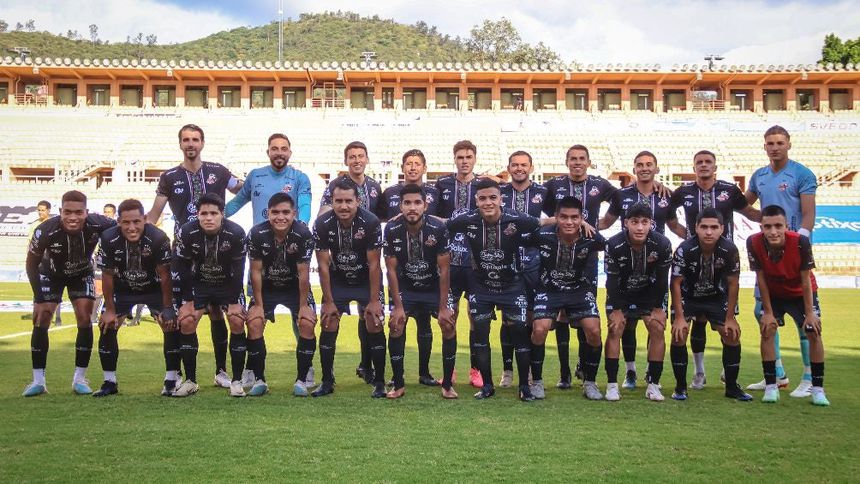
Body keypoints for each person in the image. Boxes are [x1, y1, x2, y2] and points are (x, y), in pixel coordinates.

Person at [146, 124, 243, 390]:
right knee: (184, 313)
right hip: (185, 252)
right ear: (180, 144)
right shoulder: (169, 177)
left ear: (202, 143)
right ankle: (178, 374)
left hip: (218, 250)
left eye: (195, 139)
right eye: (186, 140)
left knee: (217, 312)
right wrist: (141, 234)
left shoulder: (218, 171)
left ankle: (221, 372)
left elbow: (244, 190)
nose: (191, 144)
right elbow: (154, 213)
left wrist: (230, 211)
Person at [666, 150, 760, 390]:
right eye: (699, 162)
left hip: (722, 263)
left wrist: (775, 218)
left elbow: (750, 213)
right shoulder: (683, 192)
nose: (704, 165)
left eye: (708, 162)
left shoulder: (730, 190)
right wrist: (688, 237)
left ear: (715, 167)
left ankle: (729, 376)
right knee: (695, 322)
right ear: (694, 167)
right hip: (694, 264)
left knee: (725, 324)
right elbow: (669, 218)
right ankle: (698, 373)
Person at [447, 178, 541, 402]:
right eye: (482, 198)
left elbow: (542, 223)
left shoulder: (516, 218)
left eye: (492, 198)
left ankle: (524, 387)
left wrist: (580, 224)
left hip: (512, 286)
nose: (488, 202)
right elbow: (442, 225)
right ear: (476, 200)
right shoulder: (466, 220)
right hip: (481, 287)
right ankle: (488, 385)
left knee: (520, 335)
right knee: (481, 336)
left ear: (500, 199)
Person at [745, 125, 818, 397]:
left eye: (779, 142)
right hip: (767, 251)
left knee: (805, 316)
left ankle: (809, 378)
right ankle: (776, 374)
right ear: (764, 146)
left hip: (794, 251)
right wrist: (763, 221)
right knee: (762, 312)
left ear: (789, 144)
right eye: (770, 143)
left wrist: (799, 242)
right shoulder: (759, 176)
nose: (775, 147)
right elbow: (744, 204)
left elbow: (809, 213)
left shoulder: (802, 174)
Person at [22, 191, 116, 397]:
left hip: (81, 273)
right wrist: (39, 297)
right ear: (60, 211)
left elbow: (124, 228)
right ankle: (38, 381)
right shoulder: (45, 230)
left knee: (84, 318)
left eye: (78, 212)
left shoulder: (99, 223)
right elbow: (31, 265)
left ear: (86, 212)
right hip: (50, 273)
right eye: (68, 212)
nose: (73, 217)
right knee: (42, 316)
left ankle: (80, 379)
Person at [543, 144, 618, 389]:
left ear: (588, 161)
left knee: (585, 315)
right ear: (567, 162)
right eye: (573, 159)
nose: (577, 162)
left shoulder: (600, 184)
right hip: (559, 251)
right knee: (561, 316)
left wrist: (602, 224)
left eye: (581, 158)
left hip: (587, 257)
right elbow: (538, 203)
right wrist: (560, 221)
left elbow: (621, 200)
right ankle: (564, 372)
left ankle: (584, 367)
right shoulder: (554, 185)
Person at [598, 150, 673, 390]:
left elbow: (674, 225)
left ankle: (652, 374)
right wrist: (580, 225)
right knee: (626, 324)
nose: (644, 168)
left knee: (655, 323)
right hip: (627, 269)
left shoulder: (666, 195)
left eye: (649, 164)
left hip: (653, 268)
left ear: (656, 169)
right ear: (634, 169)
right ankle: (630, 372)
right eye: (640, 165)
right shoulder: (621, 195)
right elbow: (606, 222)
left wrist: (699, 242)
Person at [92, 199, 175, 397]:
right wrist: (110, 310)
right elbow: (107, 275)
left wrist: (167, 307)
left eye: (136, 222)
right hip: (123, 288)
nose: (131, 227)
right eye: (126, 222)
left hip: (153, 287)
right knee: (107, 326)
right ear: (118, 222)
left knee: (170, 324)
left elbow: (165, 275)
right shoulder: (108, 238)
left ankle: (171, 380)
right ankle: (109, 381)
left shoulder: (158, 238)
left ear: (145, 219)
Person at [747, 205, 828, 406]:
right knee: (767, 330)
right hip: (774, 292)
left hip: (800, 292)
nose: (773, 231)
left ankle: (817, 389)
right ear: (761, 227)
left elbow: (805, 280)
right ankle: (771, 386)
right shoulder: (753, 242)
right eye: (767, 226)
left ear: (786, 226)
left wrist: (810, 314)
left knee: (813, 331)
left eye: (778, 226)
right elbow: (761, 278)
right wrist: (767, 312)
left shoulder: (800, 242)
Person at [312, 179, 386, 398]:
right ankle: (327, 381)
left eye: (348, 201)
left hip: (366, 280)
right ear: (332, 202)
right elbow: (323, 265)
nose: (343, 206)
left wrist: (374, 301)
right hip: (338, 280)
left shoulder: (371, 222)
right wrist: (328, 301)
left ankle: (380, 382)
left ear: (358, 201)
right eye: (338, 201)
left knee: (374, 322)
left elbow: (374, 264)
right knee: (328, 322)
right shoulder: (322, 223)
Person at [669, 208, 752, 402]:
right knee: (679, 334)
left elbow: (733, 284)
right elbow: (676, 283)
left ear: (722, 228)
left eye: (714, 227)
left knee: (731, 335)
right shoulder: (684, 249)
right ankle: (680, 387)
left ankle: (732, 387)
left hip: (715, 297)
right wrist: (679, 317)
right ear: (696, 228)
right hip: (689, 297)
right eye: (704, 227)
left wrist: (730, 318)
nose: (709, 232)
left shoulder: (730, 249)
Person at [383, 184, 457, 399]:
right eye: (407, 203)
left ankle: (447, 385)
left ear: (425, 205)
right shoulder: (391, 228)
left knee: (448, 324)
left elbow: (444, 269)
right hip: (406, 288)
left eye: (417, 203)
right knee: (396, 324)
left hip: (434, 288)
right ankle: (398, 384)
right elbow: (391, 269)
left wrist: (443, 308)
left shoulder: (438, 228)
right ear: (400, 206)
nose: (412, 207)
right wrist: (397, 306)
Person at [173, 194, 247, 397]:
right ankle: (190, 381)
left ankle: (235, 381)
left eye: (213, 213)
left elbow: (239, 270)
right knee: (187, 321)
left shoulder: (236, 232)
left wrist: (234, 302)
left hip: (227, 285)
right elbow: (183, 267)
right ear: (197, 215)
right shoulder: (187, 232)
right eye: (203, 213)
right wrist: (188, 301)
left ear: (222, 214)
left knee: (236, 320)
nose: (208, 218)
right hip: (199, 285)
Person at [378, 149, 441, 387]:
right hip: (403, 272)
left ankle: (425, 373)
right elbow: (381, 220)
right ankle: (397, 376)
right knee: (398, 323)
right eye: (408, 163)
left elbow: (443, 221)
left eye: (417, 163)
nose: (413, 167)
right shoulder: (389, 193)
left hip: (428, 274)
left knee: (425, 324)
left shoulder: (435, 192)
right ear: (402, 167)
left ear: (424, 167)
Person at [532, 197, 605, 400]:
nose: (569, 222)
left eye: (575, 217)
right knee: (539, 329)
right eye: (564, 217)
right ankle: (536, 382)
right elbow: (521, 232)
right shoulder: (543, 235)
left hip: (579, 290)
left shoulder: (591, 237)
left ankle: (590, 382)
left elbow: (611, 247)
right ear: (556, 217)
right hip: (549, 289)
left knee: (594, 331)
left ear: (582, 218)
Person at [246, 193, 316, 397]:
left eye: (286, 212)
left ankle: (303, 379)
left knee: (307, 322)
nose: (280, 217)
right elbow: (255, 271)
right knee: (254, 322)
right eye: (275, 212)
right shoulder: (256, 233)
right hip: (267, 288)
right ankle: (259, 379)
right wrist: (258, 306)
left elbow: (303, 273)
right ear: (267, 213)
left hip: (294, 288)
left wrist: (303, 307)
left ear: (294, 213)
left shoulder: (303, 234)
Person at [603, 202, 671, 402]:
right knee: (616, 328)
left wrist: (658, 308)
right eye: (635, 222)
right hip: (622, 293)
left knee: (657, 328)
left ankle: (653, 385)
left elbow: (662, 279)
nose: (640, 227)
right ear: (626, 223)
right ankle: (612, 385)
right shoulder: (613, 244)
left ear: (651, 223)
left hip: (650, 293)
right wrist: (616, 310)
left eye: (644, 222)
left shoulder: (662, 244)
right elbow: (611, 280)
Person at [498, 150, 551, 388]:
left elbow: (561, 215)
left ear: (531, 167)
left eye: (523, 165)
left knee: (530, 318)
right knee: (508, 319)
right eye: (515, 165)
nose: (519, 168)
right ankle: (507, 370)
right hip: (506, 261)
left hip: (534, 262)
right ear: (508, 168)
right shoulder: (500, 192)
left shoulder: (543, 192)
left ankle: (527, 370)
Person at [435, 140, 482, 388]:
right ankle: (449, 371)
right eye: (460, 157)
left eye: (468, 157)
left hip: (476, 265)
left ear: (475, 159)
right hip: (450, 264)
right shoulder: (442, 185)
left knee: (476, 317)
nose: (464, 161)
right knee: (448, 318)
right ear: (454, 159)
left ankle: (476, 370)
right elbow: (430, 216)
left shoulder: (483, 186)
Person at [225, 132, 312, 224]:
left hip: (289, 232)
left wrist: (302, 224)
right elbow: (237, 202)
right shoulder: (255, 176)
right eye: (274, 149)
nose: (279, 153)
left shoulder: (300, 178)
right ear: (268, 152)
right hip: (260, 232)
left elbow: (304, 205)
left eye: (284, 149)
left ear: (289, 153)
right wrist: (217, 215)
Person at [28, 200, 62, 326]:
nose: (40, 212)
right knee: (37, 287)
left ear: (48, 211)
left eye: (43, 210)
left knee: (56, 289)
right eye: (39, 210)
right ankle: (36, 314)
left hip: (52, 261)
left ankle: (57, 317)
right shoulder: (34, 225)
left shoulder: (53, 224)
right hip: (39, 261)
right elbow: (30, 244)